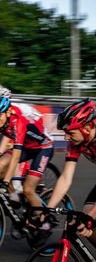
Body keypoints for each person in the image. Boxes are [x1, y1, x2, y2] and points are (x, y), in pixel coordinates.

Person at [0, 88, 54, 209]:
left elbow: (15, 157)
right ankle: (15, 196)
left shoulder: (18, 120)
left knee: (28, 190)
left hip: (43, 147)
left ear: (7, 112)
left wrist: (6, 182)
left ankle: (44, 222)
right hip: (27, 145)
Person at [42, 98, 96, 246]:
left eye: (70, 132)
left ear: (86, 128)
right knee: (86, 216)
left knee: (89, 217)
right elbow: (66, 177)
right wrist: (48, 209)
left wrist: (91, 217)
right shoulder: (76, 141)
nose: (66, 137)